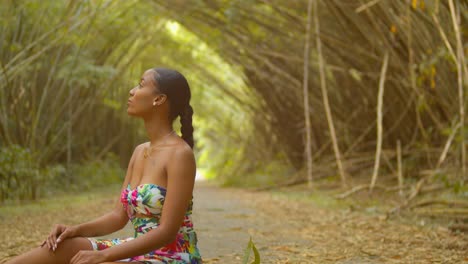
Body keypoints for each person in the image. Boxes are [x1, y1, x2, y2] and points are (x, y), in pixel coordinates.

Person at [5, 68, 203, 264]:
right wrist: (74, 230)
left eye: (141, 85)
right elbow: (118, 216)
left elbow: (166, 233)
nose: (132, 91)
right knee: (65, 246)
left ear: (158, 99)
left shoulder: (180, 154)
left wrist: (103, 256)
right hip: (138, 248)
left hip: (173, 256)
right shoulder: (139, 151)